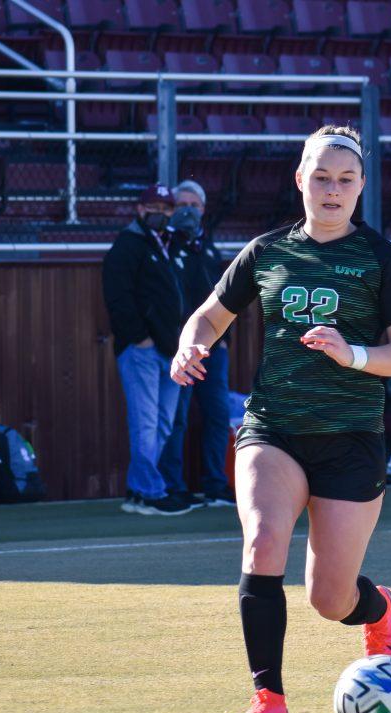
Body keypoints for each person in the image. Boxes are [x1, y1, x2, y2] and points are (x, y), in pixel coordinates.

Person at [170, 126, 391, 713]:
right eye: (320, 178)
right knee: (261, 545)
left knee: (330, 599)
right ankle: (270, 700)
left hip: (351, 439)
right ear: (300, 180)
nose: (332, 190)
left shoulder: (381, 258)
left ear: (361, 185)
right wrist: (190, 345)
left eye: (344, 179)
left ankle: (377, 608)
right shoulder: (265, 251)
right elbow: (208, 316)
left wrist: (352, 354)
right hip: (272, 429)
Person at [102, 183, 194, 516]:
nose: (162, 213)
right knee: (146, 423)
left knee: (163, 423)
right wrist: (140, 337)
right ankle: (149, 491)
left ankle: (139, 491)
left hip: (170, 350)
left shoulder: (165, 244)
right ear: (140, 210)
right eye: (154, 206)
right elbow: (118, 296)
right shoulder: (128, 245)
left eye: (167, 208)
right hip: (143, 349)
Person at [157, 179, 238, 508]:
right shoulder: (164, 245)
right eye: (181, 205)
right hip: (178, 347)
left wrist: (223, 339)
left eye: (194, 205)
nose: (188, 211)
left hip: (213, 349)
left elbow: (222, 297)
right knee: (176, 417)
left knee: (217, 414)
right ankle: (173, 485)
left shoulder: (207, 246)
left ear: (203, 210)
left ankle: (215, 484)